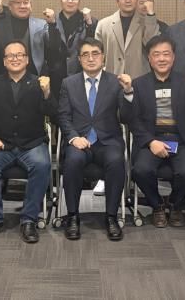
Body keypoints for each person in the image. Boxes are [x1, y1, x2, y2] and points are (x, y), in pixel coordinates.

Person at [0, 41, 56, 243]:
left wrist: (47, 93)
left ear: (27, 60)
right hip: (1, 143)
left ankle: (29, 220)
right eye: (10, 55)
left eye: (19, 55)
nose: (15, 58)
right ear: (4, 61)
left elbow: (53, 114)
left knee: (42, 164)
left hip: (32, 143)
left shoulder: (39, 83)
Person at [57, 38, 132, 241]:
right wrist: (73, 137)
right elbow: (63, 116)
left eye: (95, 54)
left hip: (108, 140)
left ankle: (111, 216)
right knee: (73, 160)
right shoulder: (68, 83)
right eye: (85, 54)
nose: (91, 58)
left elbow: (127, 117)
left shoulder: (116, 82)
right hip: (79, 140)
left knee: (116, 160)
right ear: (79, 59)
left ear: (103, 57)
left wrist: (128, 92)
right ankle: (72, 216)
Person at [129, 35, 185, 228]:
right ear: (149, 58)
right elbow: (133, 120)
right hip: (152, 139)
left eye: (166, 54)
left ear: (173, 57)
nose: (162, 59)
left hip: (181, 140)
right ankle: (156, 206)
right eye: (156, 54)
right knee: (140, 170)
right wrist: (150, 142)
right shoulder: (138, 84)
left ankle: (174, 204)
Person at [0, 0, 65, 79]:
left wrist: (52, 24)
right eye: (18, 2)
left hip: (35, 78)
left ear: (31, 6)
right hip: (6, 79)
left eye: (26, 2)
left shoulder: (41, 25)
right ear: (10, 6)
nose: (22, 6)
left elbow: (54, 48)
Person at [96, 0, 160, 79]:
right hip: (111, 78)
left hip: (139, 78)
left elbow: (153, 45)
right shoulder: (103, 24)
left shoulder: (147, 23)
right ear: (117, 1)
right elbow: (97, 54)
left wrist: (150, 14)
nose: (128, 0)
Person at [55, 0, 98, 76]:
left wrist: (89, 23)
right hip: (56, 75)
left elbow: (94, 45)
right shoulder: (52, 21)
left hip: (81, 74)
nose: (70, 1)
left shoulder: (90, 21)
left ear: (79, 0)